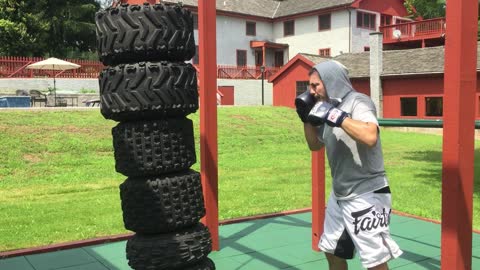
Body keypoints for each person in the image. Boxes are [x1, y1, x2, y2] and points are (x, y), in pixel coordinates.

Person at [295, 60, 402, 270]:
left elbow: (370, 136)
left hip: (367, 193)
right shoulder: (326, 107)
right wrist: (306, 119)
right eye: (309, 85)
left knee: (375, 261)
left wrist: (336, 115)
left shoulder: (358, 101)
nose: (311, 90)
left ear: (331, 81)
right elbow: (315, 146)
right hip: (340, 194)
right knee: (331, 249)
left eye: (315, 85)